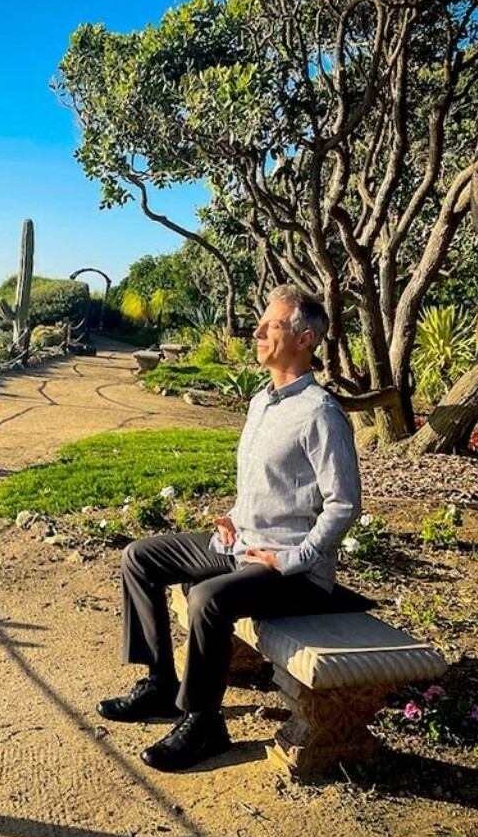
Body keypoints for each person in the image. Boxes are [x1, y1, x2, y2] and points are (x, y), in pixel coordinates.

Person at [97, 285, 362, 772]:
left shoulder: (321, 414)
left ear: (304, 339)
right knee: (141, 557)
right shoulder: (263, 402)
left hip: (291, 570)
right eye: (262, 323)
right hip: (243, 546)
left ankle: (204, 723)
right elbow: (271, 485)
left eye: (272, 326)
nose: (257, 332)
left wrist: (294, 559)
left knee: (208, 598)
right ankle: (160, 685)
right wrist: (236, 520)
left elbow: (344, 504)